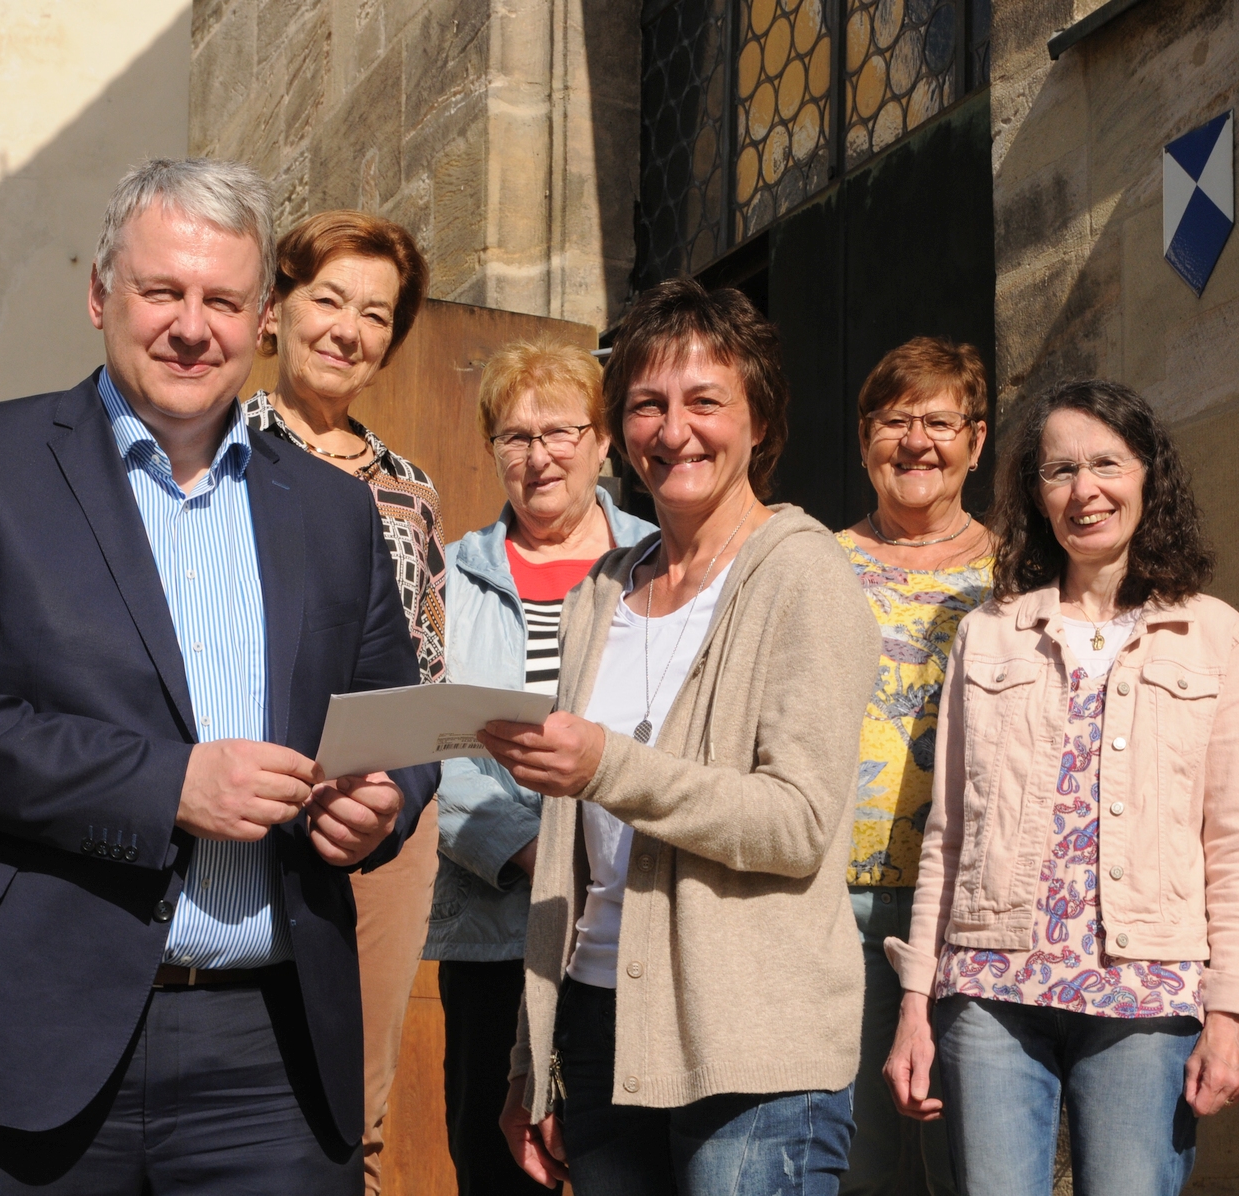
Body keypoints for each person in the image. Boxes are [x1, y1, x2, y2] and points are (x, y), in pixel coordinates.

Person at [0, 159, 438, 1193]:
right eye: (162, 291)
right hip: (17, 1037)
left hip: (274, 1058)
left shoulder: (338, 514)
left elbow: (400, 711)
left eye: (222, 300)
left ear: (261, 319)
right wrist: (169, 784)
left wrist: (385, 796)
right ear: (100, 294)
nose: (191, 326)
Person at [485, 278, 881, 1196]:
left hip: (748, 1046)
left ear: (759, 422)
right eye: (647, 406)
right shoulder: (599, 591)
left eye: (706, 401)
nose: (675, 431)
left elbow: (797, 823)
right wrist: (529, 1055)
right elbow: (563, 855)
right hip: (595, 1027)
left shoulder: (801, 573)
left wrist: (607, 766)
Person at [882, 378, 1239, 1196]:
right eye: (1059, 470)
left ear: (1148, 477)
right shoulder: (989, 632)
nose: (1086, 490)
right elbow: (950, 835)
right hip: (992, 991)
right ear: (1036, 495)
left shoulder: (1213, 633)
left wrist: (1235, 1011)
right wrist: (913, 1003)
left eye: (1107, 463)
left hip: (1148, 999)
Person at [239, 209, 443, 1194]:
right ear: (277, 308)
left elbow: (424, 659)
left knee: (356, 1093)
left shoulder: (412, 486)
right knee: (248, 1066)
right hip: (251, 789)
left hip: (386, 804)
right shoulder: (223, 447)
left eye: (375, 313)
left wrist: (404, 787)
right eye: (328, 299)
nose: (347, 329)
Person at [424, 341, 655, 1195]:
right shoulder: (450, 577)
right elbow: (431, 739)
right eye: (514, 436)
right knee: (497, 1168)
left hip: (632, 924)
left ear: (603, 442)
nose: (539, 455)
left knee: (620, 1164)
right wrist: (527, 847)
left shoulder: (660, 562)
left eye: (561, 430)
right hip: (496, 927)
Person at [836, 338, 992, 1196]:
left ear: (975, 439)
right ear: (865, 439)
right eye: (896, 422)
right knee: (854, 1163)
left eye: (939, 422)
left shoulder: (1020, 576)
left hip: (973, 906)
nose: (917, 443)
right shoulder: (817, 563)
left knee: (968, 1160)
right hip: (836, 901)